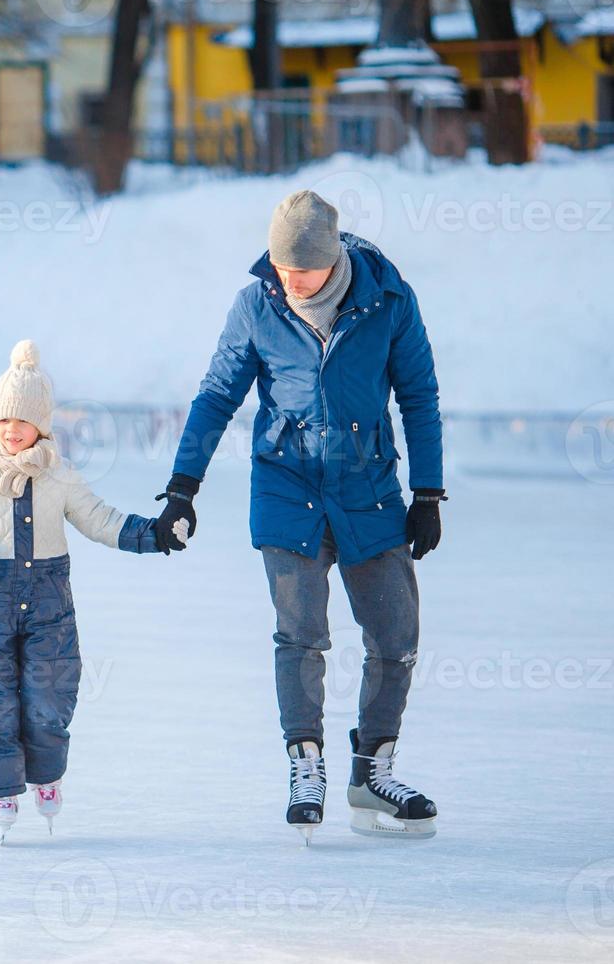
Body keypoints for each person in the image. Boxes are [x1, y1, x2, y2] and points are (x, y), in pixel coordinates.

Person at [154, 190, 445, 843]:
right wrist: (182, 487)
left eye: (303, 272)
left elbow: (419, 396)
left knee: (396, 635)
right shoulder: (257, 304)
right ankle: (305, 762)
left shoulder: (388, 299)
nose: (291, 282)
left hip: (368, 489)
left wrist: (428, 492)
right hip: (287, 487)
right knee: (301, 633)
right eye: (282, 269)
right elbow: (216, 396)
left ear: (333, 259)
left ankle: (373, 769)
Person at [0, 340, 186, 843]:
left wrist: (154, 533)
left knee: (50, 696)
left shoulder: (59, 475)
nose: (13, 431)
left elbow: (99, 519)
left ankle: (46, 776)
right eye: (5, 421)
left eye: (23, 422)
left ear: (42, 426)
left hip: (50, 606)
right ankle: (1, 790)